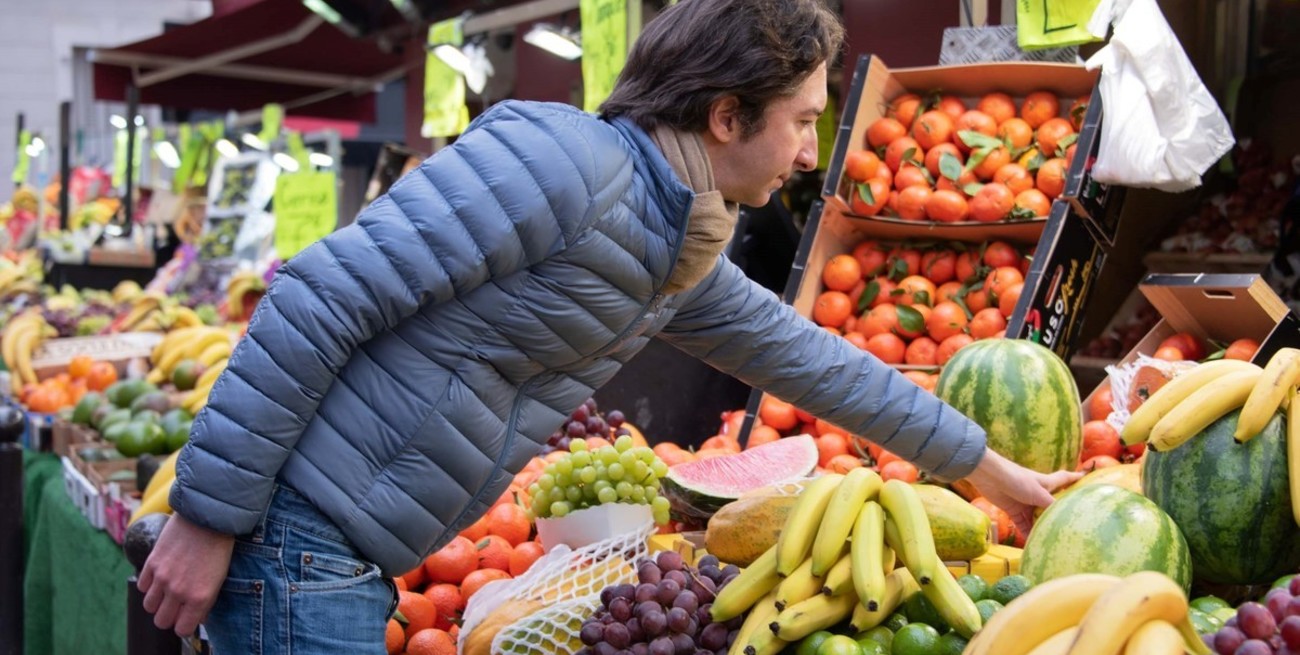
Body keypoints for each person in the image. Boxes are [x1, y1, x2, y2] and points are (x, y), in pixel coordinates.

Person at [139, 0, 1080, 650]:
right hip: (301, 540)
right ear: (725, 115)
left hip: (348, 553)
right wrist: (207, 515)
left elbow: (818, 363)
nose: (808, 151)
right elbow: (317, 296)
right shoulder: (561, 162)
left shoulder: (674, 239)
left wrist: (993, 472)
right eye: (799, 120)